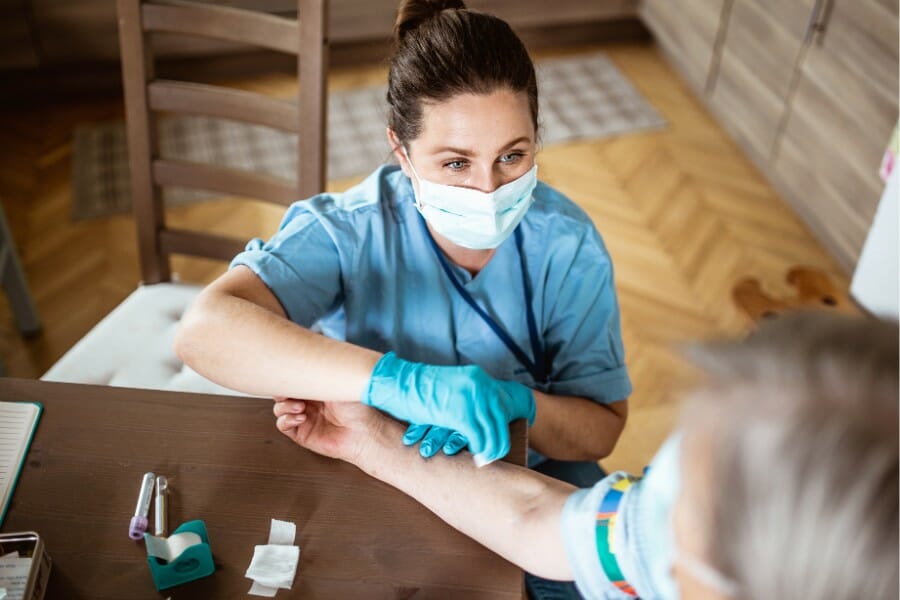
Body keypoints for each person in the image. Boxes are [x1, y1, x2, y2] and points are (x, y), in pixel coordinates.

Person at [176, 1, 630, 476]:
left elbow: (602, 430)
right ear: (402, 152)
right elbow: (204, 331)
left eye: (512, 156)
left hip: (517, 470)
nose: (489, 189)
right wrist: (399, 384)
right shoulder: (350, 230)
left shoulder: (566, 245)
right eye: (457, 163)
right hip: (376, 462)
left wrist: (519, 404)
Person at [273, 312, 899, 600]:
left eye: (684, 507)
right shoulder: (670, 523)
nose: (658, 505)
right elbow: (541, 523)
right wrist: (367, 440)